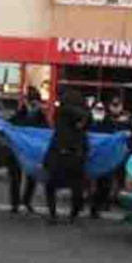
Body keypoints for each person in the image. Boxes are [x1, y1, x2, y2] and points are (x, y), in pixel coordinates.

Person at [44, 90, 90, 224]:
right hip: (76, 156)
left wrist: (46, 159)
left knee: (51, 186)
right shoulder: (84, 117)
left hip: (59, 154)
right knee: (77, 188)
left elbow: (55, 136)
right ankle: (73, 216)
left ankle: (53, 215)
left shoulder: (60, 114)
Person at [4, 88, 50, 214]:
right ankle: (15, 204)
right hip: (16, 152)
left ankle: (26, 201)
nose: (33, 106)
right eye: (31, 103)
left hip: (32, 154)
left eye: (35, 103)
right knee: (15, 178)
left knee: (32, 178)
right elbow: (9, 127)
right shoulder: (19, 115)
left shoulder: (41, 117)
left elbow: (46, 132)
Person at [89, 102, 117, 219]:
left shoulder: (109, 122)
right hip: (89, 156)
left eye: (101, 109)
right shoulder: (88, 120)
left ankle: (97, 207)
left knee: (104, 184)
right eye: (97, 108)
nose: (99, 111)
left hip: (103, 158)